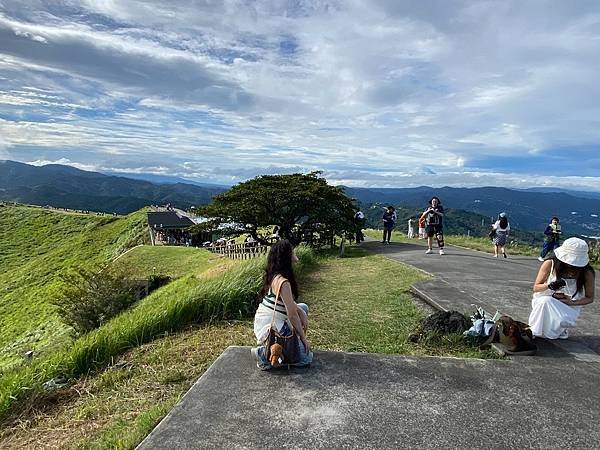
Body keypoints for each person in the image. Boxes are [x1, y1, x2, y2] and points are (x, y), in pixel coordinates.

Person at [251, 240, 313, 369]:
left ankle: (284, 347)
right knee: (305, 359)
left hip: (264, 319)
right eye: (292, 250)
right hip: (271, 326)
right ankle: (264, 354)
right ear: (287, 255)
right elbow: (292, 315)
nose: (294, 252)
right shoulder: (283, 282)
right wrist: (303, 338)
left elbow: (289, 304)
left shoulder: (275, 275)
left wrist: (301, 312)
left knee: (303, 308)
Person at [528, 237, 595, 339]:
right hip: (544, 299)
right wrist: (549, 285)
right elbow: (536, 288)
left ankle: (559, 329)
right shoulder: (550, 263)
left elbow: (590, 298)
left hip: (569, 306)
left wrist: (571, 302)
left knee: (555, 323)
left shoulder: (587, 272)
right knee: (545, 301)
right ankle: (533, 332)